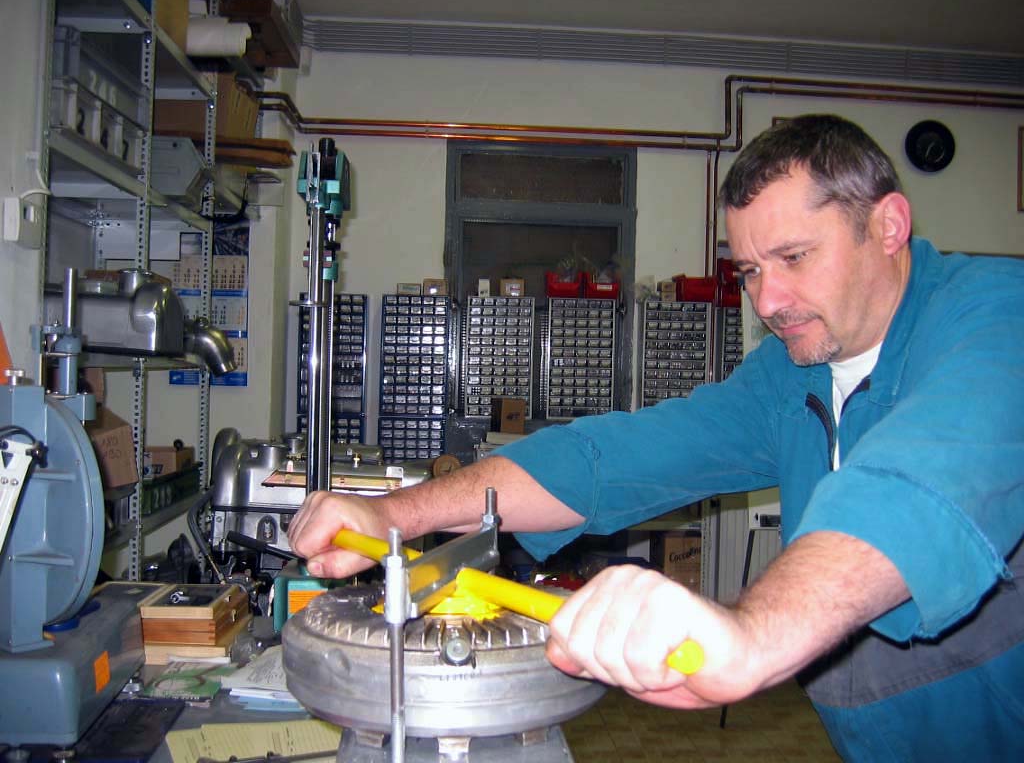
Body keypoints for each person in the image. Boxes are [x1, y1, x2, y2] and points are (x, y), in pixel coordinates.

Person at [287, 114, 1024, 761]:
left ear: (888, 226)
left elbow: (914, 487)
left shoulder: (997, 318)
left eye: (795, 257)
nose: (767, 302)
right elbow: (606, 460)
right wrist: (392, 515)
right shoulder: (789, 374)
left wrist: (749, 635)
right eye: (749, 270)